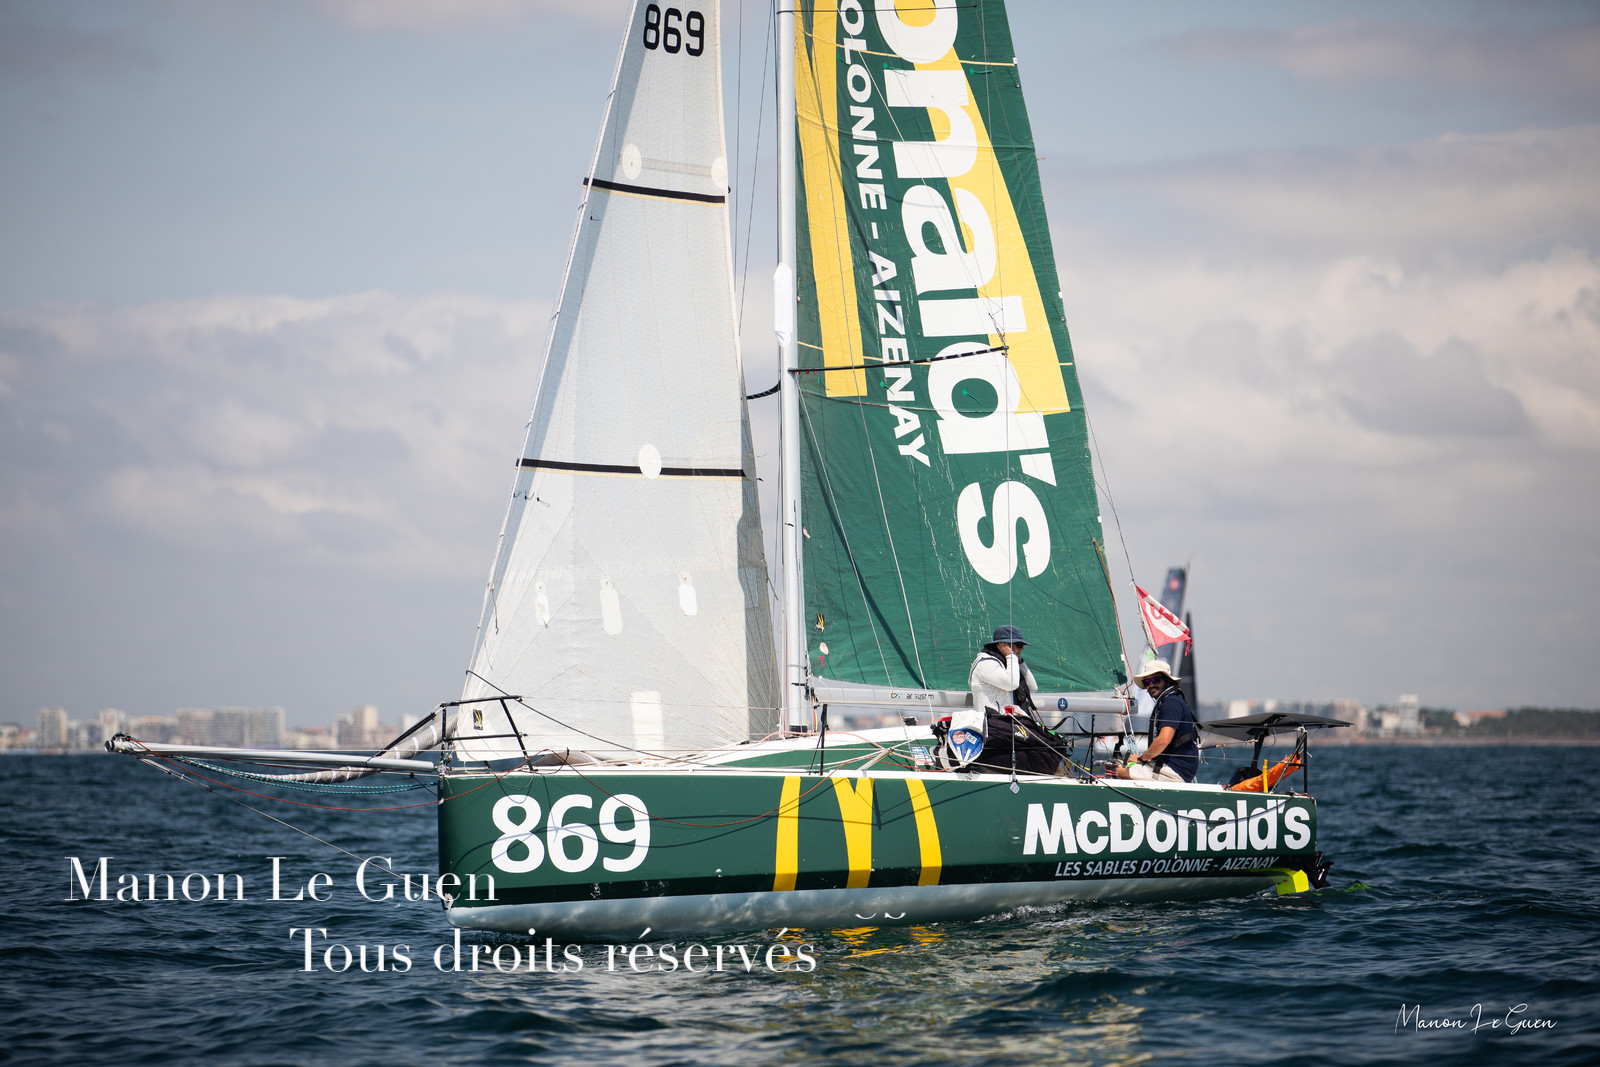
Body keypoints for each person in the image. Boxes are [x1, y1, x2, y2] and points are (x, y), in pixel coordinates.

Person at [963, 625, 1064, 776]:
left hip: (1007, 728)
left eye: (1022, 645)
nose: (1021, 648)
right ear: (1002, 645)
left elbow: (1032, 686)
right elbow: (1011, 683)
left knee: (1051, 747)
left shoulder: (1008, 664)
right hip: (994, 729)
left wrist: (1019, 661)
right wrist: (1011, 656)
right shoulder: (985, 663)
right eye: (1018, 645)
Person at [1114, 659, 1199, 783]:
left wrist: (1141, 759)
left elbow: (1163, 740)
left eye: (1156, 680)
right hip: (1171, 767)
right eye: (1146, 682)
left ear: (1167, 681)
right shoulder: (1171, 700)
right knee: (1118, 765)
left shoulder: (1171, 704)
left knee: (1115, 769)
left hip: (1174, 771)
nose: (1150, 685)